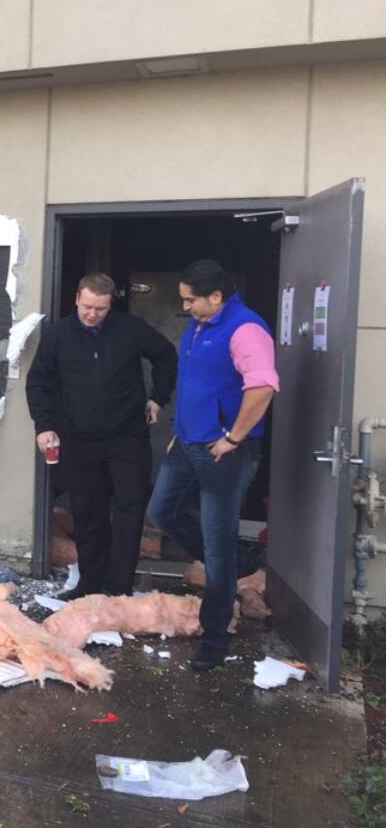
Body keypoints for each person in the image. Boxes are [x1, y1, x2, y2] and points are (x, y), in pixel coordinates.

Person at [147, 259, 278, 672]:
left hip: (226, 451)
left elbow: (262, 387)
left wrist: (234, 437)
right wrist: (183, 428)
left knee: (216, 540)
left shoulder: (245, 329)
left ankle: (216, 636)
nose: (186, 307)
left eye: (191, 300)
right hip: (188, 443)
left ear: (216, 296)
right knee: (162, 512)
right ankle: (237, 565)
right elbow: (198, 385)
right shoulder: (201, 326)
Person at [26, 273, 177, 599]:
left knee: (129, 509)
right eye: (87, 306)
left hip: (127, 436)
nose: (92, 314)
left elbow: (166, 354)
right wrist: (44, 425)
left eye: (100, 309)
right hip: (79, 439)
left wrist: (159, 397)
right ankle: (90, 584)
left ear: (111, 305)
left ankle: (119, 588)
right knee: (88, 511)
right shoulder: (58, 335)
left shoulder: (130, 329)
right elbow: (38, 381)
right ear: (77, 299)